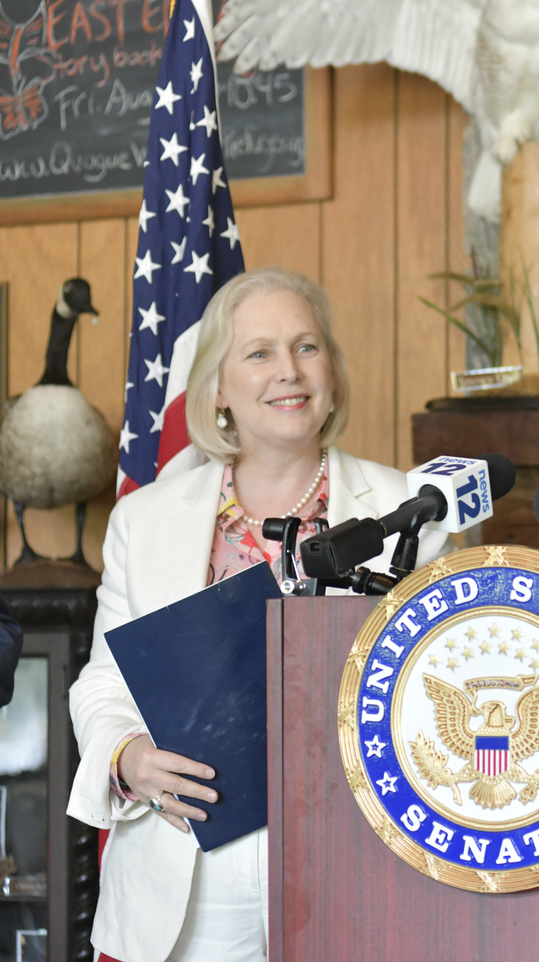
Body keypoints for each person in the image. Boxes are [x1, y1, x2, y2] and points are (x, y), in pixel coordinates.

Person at [66, 267, 449, 962]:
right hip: (187, 863)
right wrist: (129, 757)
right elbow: (103, 683)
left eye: (306, 347)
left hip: (354, 863)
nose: (289, 372)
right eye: (259, 352)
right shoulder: (143, 520)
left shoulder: (412, 512)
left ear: (331, 371)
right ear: (216, 390)